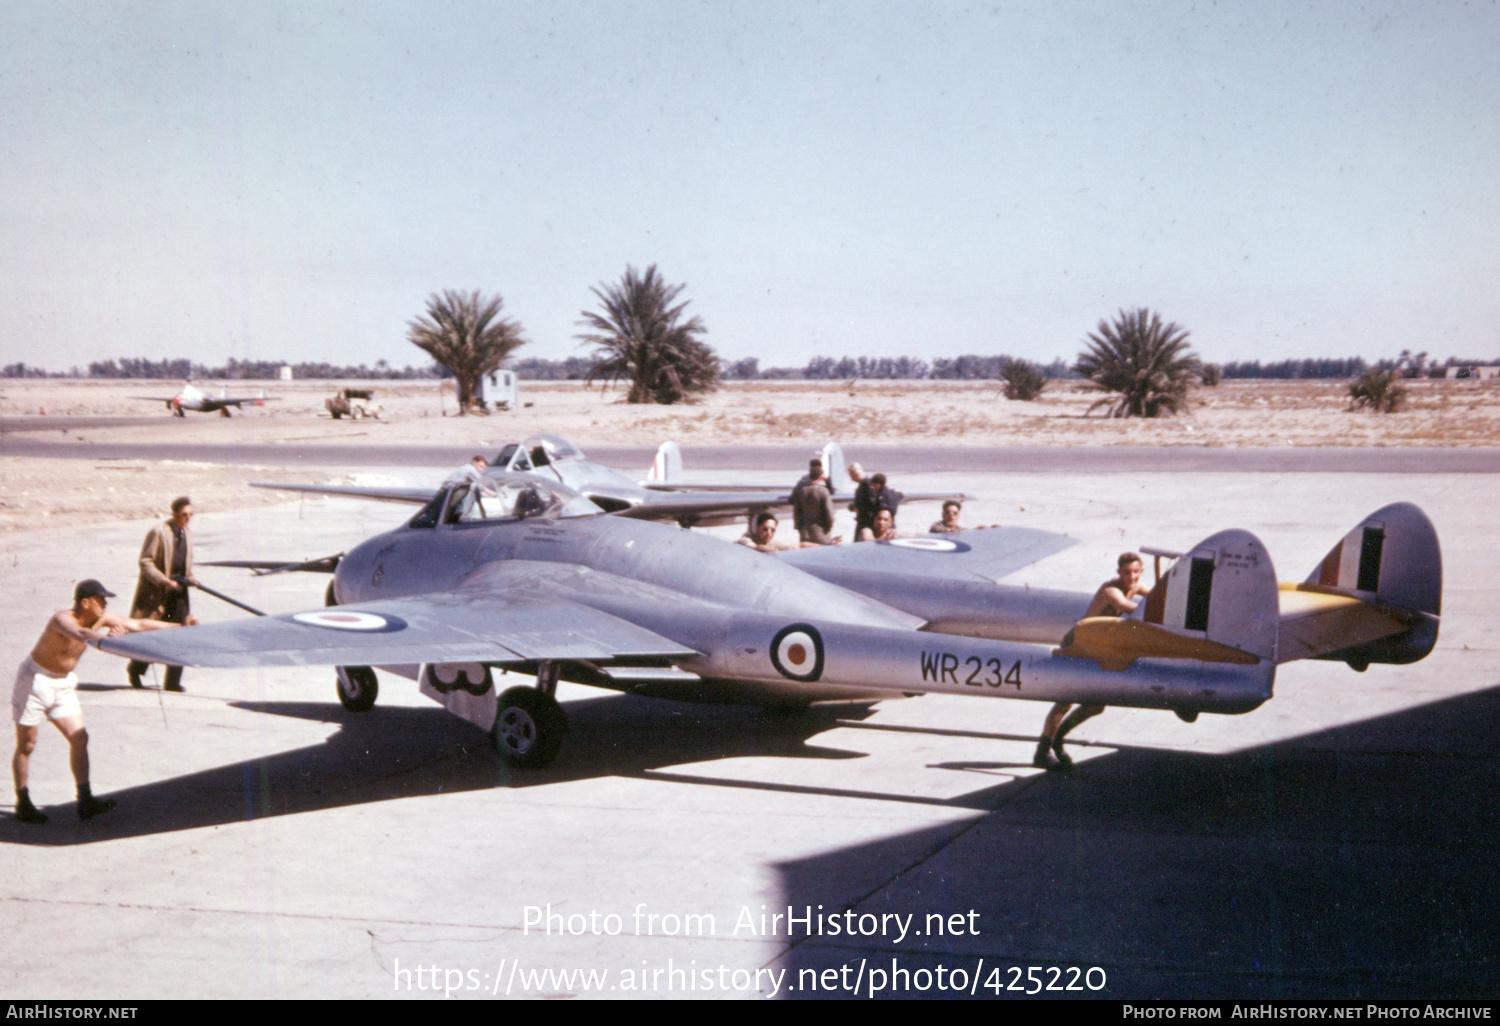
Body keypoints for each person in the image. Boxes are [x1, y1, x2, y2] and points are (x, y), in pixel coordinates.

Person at [13, 580, 192, 824]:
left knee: (79, 737)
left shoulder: (102, 617)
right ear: (85, 603)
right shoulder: (61, 619)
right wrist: (107, 639)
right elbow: (81, 634)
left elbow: (138, 624)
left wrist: (181, 627)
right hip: (35, 681)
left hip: (63, 684)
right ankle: (23, 802)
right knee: (27, 744)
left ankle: (85, 800)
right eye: (101, 600)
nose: (106, 604)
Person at [1034, 552, 1148, 771]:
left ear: (1141, 571)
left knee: (1096, 704)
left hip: (1096, 647)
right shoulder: (1111, 590)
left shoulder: (1137, 585)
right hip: (1077, 643)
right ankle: (1043, 751)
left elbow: (1156, 595)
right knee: (1065, 701)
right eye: (1126, 572)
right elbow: (1129, 608)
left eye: (1135, 572)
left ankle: (1058, 738)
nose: (1131, 577)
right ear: (1118, 573)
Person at [128, 496, 197, 692]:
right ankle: (136, 669)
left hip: (179, 594)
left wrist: (191, 577)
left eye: (190, 515)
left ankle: (172, 681)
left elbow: (184, 564)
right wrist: (163, 580)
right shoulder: (158, 532)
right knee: (153, 635)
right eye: (184, 515)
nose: (187, 519)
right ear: (174, 513)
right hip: (159, 593)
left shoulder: (188, 533)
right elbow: (145, 562)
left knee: (182, 633)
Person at [792, 464, 841, 545]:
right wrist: (828, 527)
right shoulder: (823, 491)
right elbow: (829, 513)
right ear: (820, 476)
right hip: (821, 533)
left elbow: (796, 513)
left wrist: (799, 528)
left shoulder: (801, 491)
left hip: (805, 533)